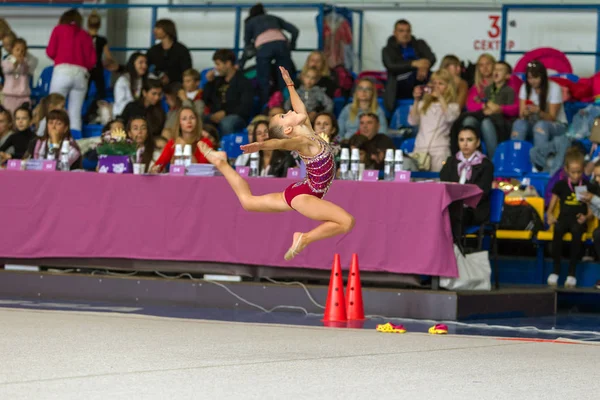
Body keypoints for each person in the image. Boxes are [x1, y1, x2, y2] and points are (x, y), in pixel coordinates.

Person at [197, 66, 355, 260]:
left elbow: (299, 108)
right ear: (288, 129)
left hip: (301, 189)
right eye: (283, 116)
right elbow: (282, 142)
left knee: (248, 202)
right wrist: (262, 145)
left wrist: (290, 84)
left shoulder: (308, 132)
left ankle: (221, 163)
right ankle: (304, 238)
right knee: (346, 222)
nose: (288, 110)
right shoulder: (303, 141)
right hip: (305, 196)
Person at [546, 150, 592, 288]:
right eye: (573, 172)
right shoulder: (560, 185)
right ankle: (555, 270)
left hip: (578, 221)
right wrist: (549, 215)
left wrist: (586, 217)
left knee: (576, 231)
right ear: (566, 170)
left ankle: (571, 274)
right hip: (564, 218)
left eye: (579, 172)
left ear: (583, 170)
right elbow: (551, 206)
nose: (576, 175)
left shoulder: (587, 185)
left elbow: (591, 209)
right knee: (558, 229)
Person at [46, 9, 96, 132]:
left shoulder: (58, 30)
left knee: (53, 108)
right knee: (75, 113)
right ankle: (76, 143)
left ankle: (46, 140)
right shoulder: (86, 35)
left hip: (62, 72)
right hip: (81, 74)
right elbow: (92, 61)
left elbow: (50, 51)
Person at [440, 126, 494, 238]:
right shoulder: (451, 162)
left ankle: (454, 250)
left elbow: (482, 192)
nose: (465, 144)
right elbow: (443, 185)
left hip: (474, 210)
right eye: (461, 140)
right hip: (452, 207)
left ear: (478, 142)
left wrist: (461, 202)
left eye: (469, 140)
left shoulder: (485, 164)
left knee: (454, 215)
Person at [243, 3, 298, 105]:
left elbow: (247, 45)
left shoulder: (250, 22)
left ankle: (266, 106)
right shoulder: (273, 18)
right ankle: (287, 104)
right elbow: (294, 30)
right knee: (285, 78)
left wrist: (242, 62)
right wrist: (292, 45)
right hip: (282, 45)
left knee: (264, 79)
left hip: (263, 47)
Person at [408, 69, 460, 172]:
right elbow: (412, 121)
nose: (436, 87)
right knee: (418, 184)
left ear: (448, 87)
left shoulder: (453, 106)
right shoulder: (422, 104)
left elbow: (450, 117)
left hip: (440, 150)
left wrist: (440, 98)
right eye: (434, 83)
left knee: (438, 182)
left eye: (440, 84)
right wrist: (416, 100)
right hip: (420, 149)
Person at [382, 19, 436, 111]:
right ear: (394, 33)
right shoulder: (387, 50)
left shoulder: (419, 44)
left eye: (408, 31)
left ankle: (435, 99)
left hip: (421, 78)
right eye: (401, 31)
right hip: (399, 83)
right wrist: (414, 63)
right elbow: (391, 66)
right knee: (417, 76)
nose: (405, 34)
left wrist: (423, 67)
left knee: (439, 77)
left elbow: (432, 58)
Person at [203, 49, 254, 137]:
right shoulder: (217, 81)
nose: (216, 68)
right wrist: (209, 83)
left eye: (218, 64)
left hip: (236, 117)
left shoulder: (244, 82)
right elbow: (206, 100)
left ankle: (225, 149)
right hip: (215, 116)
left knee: (227, 123)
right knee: (198, 119)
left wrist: (225, 113)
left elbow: (245, 107)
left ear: (228, 63)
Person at [152, 106, 214, 173]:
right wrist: (155, 169)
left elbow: (199, 170)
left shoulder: (205, 143)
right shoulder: (172, 143)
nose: (189, 121)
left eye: (192, 118)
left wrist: (185, 146)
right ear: (179, 123)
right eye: (184, 119)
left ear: (197, 121)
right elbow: (158, 165)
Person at [84, 10, 118, 122]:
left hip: (86, 68)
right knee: (101, 93)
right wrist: (115, 64)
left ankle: (85, 114)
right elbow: (108, 56)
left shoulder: (84, 38)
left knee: (84, 93)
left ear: (88, 24)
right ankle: (97, 112)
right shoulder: (102, 40)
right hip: (98, 68)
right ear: (99, 25)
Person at [147, 19, 192, 85]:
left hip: (177, 85)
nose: (154, 30)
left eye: (158, 28)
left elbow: (187, 71)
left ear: (167, 30)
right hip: (158, 85)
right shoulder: (153, 50)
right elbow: (146, 65)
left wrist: (171, 78)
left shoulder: (181, 50)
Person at [1, 38, 35, 113]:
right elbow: (7, 70)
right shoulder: (6, 61)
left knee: (24, 116)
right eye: (17, 50)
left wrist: (23, 63)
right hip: (10, 96)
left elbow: (28, 70)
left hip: (24, 95)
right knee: (10, 116)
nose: (20, 52)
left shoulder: (25, 63)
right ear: (12, 50)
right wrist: (15, 62)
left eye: (22, 51)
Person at [113, 52, 148, 117]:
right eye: (141, 62)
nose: (144, 66)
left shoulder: (144, 79)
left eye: (146, 63)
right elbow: (120, 103)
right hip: (122, 115)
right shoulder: (123, 80)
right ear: (133, 64)